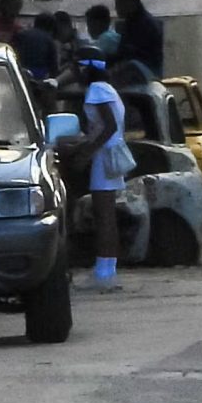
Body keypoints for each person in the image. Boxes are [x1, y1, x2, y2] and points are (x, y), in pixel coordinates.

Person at [72, 47, 132, 292]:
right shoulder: (108, 89)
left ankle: (103, 273)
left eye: (77, 66)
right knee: (107, 217)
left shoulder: (97, 90)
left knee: (104, 217)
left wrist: (87, 151)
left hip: (104, 157)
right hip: (110, 155)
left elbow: (108, 126)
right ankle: (108, 269)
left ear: (87, 68)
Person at [0, 0, 59, 80]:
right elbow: (53, 66)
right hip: (39, 73)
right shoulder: (48, 40)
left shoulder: (21, 33)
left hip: (19, 70)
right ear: (51, 29)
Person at [113, 0, 164, 76]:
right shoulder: (131, 22)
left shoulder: (144, 24)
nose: (116, 8)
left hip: (146, 74)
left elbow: (135, 54)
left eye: (118, 4)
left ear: (130, 2)